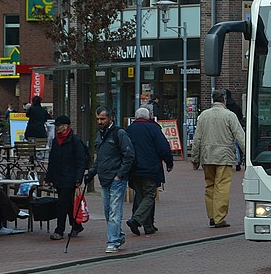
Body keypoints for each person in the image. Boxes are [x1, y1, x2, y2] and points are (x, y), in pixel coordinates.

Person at [190, 89, 245, 228]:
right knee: (222, 186)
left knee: (210, 186)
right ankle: (219, 217)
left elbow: (197, 139)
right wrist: (247, 155)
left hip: (207, 156)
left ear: (212, 100)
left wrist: (195, 158)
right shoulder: (229, 115)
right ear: (224, 100)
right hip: (224, 155)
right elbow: (240, 136)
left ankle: (211, 216)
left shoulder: (203, 116)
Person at [85, 105, 135, 253]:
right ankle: (118, 236)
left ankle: (112, 242)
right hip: (104, 178)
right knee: (108, 211)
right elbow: (99, 158)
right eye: (98, 119)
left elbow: (129, 154)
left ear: (110, 118)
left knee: (114, 211)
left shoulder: (119, 133)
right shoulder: (100, 134)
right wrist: (92, 173)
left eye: (103, 118)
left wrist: (120, 174)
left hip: (116, 179)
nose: (100, 121)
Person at [124, 106, 174, 236]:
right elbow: (163, 147)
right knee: (150, 195)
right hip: (150, 168)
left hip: (134, 168)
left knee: (140, 196)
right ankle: (136, 219)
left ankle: (149, 226)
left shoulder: (128, 130)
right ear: (149, 116)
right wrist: (169, 162)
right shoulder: (153, 128)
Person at [44, 115, 88, 240]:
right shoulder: (56, 141)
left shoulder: (74, 140)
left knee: (62, 204)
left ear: (65, 126)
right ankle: (76, 225)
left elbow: (80, 161)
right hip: (58, 177)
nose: (57, 128)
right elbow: (52, 160)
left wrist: (78, 178)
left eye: (58, 126)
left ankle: (59, 230)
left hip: (70, 178)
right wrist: (49, 177)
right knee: (68, 204)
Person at [225, 89, 245, 170]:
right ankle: (238, 162)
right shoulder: (235, 105)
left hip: (226, 128)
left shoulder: (225, 106)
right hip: (236, 126)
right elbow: (240, 115)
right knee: (237, 144)